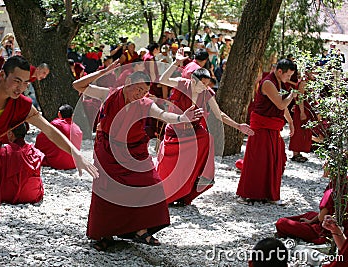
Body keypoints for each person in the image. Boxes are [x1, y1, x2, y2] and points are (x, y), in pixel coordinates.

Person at [0, 55, 98, 266]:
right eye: (16, 80)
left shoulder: (22, 106)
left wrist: (77, 153)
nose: (21, 88)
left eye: (26, 83)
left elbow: (49, 130)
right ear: (2, 75)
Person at [73, 62, 204, 251]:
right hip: (108, 149)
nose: (140, 94)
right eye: (138, 89)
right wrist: (103, 72)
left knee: (152, 184)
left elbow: (163, 115)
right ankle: (104, 233)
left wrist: (182, 118)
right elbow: (78, 86)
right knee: (107, 190)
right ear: (127, 82)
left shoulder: (145, 103)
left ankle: (140, 230)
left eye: (144, 91)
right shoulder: (109, 94)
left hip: (135, 150)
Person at [157, 51, 254, 206]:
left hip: (193, 131)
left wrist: (238, 126)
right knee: (171, 166)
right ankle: (168, 194)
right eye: (202, 84)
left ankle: (191, 188)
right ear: (193, 81)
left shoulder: (207, 93)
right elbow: (163, 79)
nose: (205, 87)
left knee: (207, 139)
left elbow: (218, 114)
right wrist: (175, 62)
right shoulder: (183, 83)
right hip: (175, 131)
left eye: (207, 84)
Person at [236, 59, 297, 205]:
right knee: (257, 161)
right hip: (261, 128)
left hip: (272, 127)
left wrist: (291, 122)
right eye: (288, 76)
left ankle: (269, 194)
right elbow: (281, 104)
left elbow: (282, 107)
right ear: (280, 71)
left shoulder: (280, 83)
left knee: (274, 161)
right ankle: (248, 194)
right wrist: (292, 95)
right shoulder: (269, 83)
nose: (289, 79)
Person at [275, 186, 348, 244]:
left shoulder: (333, 190)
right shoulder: (342, 184)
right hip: (339, 226)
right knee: (310, 214)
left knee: (281, 222)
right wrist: (311, 221)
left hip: (327, 231)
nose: (323, 166)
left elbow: (321, 218)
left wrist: (310, 222)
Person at [0, 122, 45, 204]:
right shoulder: (35, 152)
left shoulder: (3, 152)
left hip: (7, 194)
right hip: (32, 195)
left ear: (10, 133)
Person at [35, 104, 83, 170]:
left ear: (59, 114)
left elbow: (40, 140)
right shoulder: (77, 128)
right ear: (72, 115)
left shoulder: (55, 124)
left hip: (58, 163)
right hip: (74, 163)